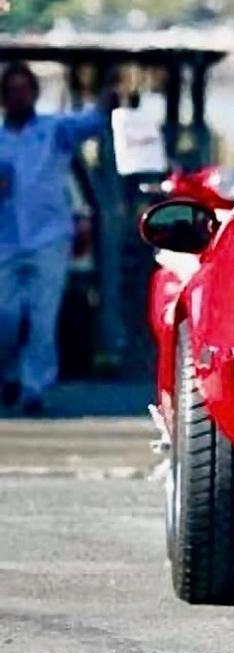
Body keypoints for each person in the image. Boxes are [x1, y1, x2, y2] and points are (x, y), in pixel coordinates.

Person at [0, 62, 113, 416]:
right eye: (12, 90)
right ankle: (9, 373)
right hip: (5, 238)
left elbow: (90, 123)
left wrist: (106, 101)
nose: (19, 96)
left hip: (50, 238)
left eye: (24, 89)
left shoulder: (53, 130)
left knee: (42, 317)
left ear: (34, 93)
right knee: (5, 316)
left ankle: (35, 387)